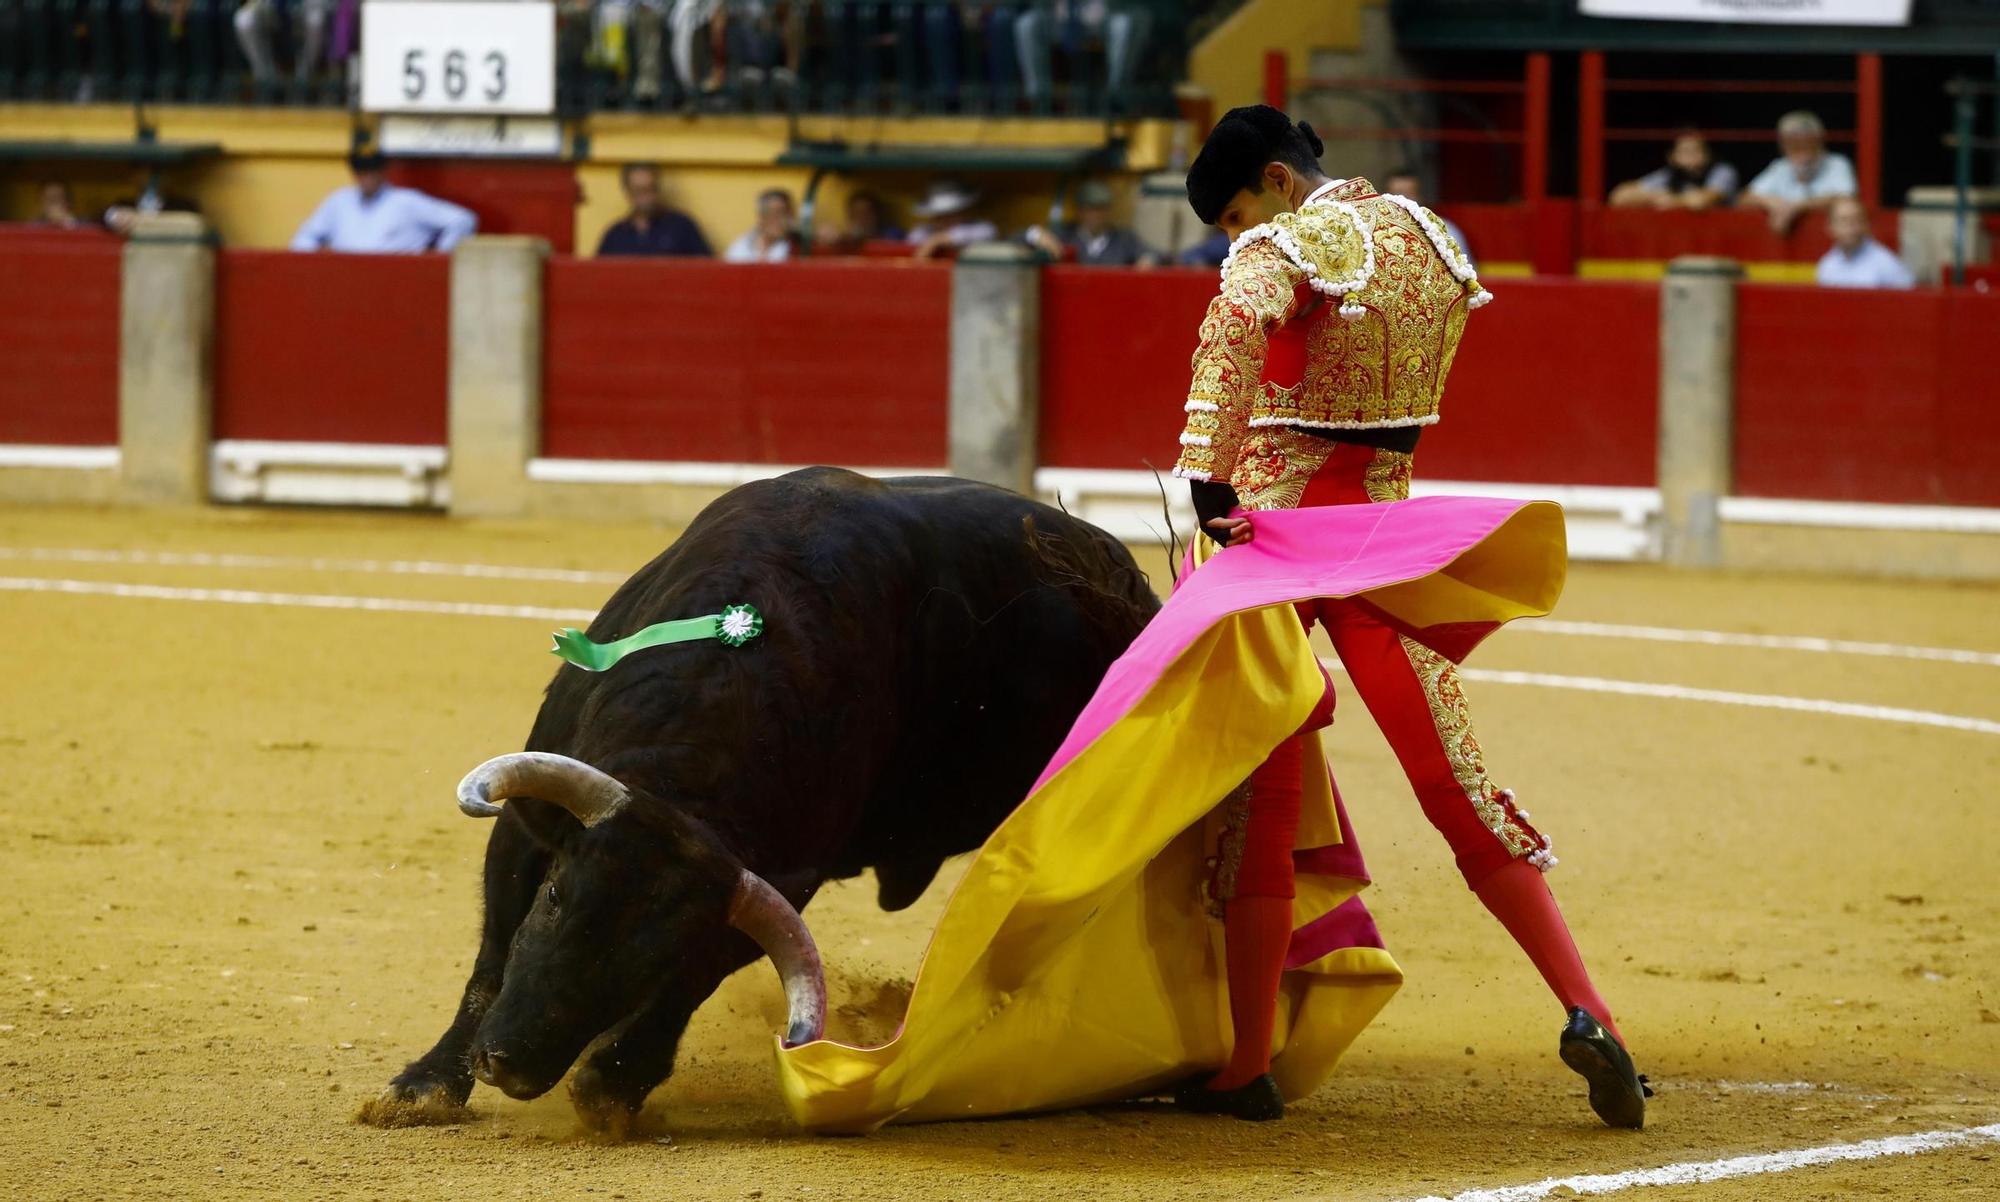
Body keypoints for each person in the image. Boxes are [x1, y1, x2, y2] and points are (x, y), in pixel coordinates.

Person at [1169, 106, 1647, 1127]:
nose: (1234, 234)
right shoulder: (1428, 233)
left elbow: (1235, 327)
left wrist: (1208, 480)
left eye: (1235, 211)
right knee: (1454, 778)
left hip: (1274, 534)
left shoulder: (1288, 240)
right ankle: (1587, 1008)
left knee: (1259, 778)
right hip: (1383, 534)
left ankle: (1245, 1061)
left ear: (1275, 181)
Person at [289, 151, 476, 254]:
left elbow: (462, 220)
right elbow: (304, 238)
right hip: (346, 279)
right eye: (361, 172)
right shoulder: (339, 201)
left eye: (371, 172)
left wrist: (438, 258)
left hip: (396, 280)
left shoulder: (407, 202)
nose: (366, 178)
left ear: (382, 173)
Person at [1744, 111, 1857, 235]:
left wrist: (1797, 207)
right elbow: (1745, 199)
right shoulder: (1780, 167)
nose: (1802, 152)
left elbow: (1847, 198)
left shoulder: (1837, 164)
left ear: (1819, 141)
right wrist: (1771, 203)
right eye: (1794, 145)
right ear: (1783, 146)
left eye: (1806, 143)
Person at [1025, 179, 1155, 266]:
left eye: (1100, 209)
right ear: (1079, 211)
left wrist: (1148, 259)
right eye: (1089, 209)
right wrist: (1035, 234)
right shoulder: (1064, 235)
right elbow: (1017, 240)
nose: (1095, 215)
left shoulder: (1123, 239)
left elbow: (1155, 254)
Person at [596, 163, 711, 257]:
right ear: (628, 193)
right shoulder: (615, 236)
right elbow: (597, 277)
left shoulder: (682, 228)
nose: (646, 197)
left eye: (651, 189)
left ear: (658, 188)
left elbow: (707, 272)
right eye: (639, 191)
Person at [1609, 131, 1739, 210]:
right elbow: (1619, 197)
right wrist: (1656, 197)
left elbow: (1700, 201)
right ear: (1672, 157)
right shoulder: (1668, 175)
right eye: (1685, 151)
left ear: (1708, 154)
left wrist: (1673, 201)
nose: (1692, 156)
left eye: (1697, 150)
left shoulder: (1723, 172)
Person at [1383, 167, 1475, 271]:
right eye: (1397, 194)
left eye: (1409, 194)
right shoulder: (1374, 232)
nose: (1402, 200)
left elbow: (1467, 273)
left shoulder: (1444, 229)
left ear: (1419, 196)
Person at [1816, 197, 1914, 289]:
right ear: (1830, 226)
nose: (1851, 226)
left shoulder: (1886, 263)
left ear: (1866, 224)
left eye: (1856, 220)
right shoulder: (1827, 265)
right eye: (1844, 220)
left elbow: (1907, 302)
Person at [907, 180, 999, 259]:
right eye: (940, 215)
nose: (945, 219)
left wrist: (936, 241)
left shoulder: (982, 228)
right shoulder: (923, 231)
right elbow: (913, 240)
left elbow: (985, 233)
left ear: (964, 212)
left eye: (951, 214)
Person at [813, 191, 905, 253]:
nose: (862, 218)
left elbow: (862, 236)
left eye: (866, 213)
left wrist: (843, 237)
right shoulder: (847, 235)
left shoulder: (892, 232)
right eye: (856, 213)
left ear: (877, 214)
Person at [723, 188, 800, 262]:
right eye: (771, 213)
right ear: (761, 217)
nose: (778, 220)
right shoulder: (741, 246)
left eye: (783, 213)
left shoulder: (799, 248)